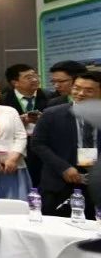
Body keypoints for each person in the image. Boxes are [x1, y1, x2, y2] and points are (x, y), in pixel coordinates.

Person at [31, 70, 100, 221]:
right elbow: (38, 144)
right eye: (76, 88)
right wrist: (63, 168)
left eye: (88, 90)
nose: (80, 93)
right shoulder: (52, 114)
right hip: (59, 184)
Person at [0, 63, 49, 186]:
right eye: (28, 77)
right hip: (16, 151)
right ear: (15, 82)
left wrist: (43, 119)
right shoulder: (3, 100)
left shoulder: (50, 97)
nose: (34, 79)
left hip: (44, 148)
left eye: (35, 76)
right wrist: (18, 122)